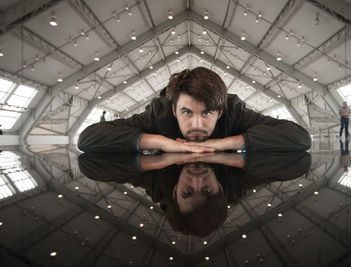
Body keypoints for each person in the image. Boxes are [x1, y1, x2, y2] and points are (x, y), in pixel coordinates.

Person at [78, 67, 311, 153]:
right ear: (173, 110)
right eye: (187, 112)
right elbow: (88, 139)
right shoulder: (158, 114)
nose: (197, 125)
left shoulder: (234, 112)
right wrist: (159, 141)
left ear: (220, 112)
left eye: (207, 112)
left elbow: (299, 137)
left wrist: (227, 142)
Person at [78, 151, 311, 236]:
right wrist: (225, 148)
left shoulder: (156, 180)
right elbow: (298, 164)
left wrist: (160, 147)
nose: (198, 179)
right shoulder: (236, 182)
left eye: (187, 191)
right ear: (220, 188)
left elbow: (90, 165)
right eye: (207, 190)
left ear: (174, 190)